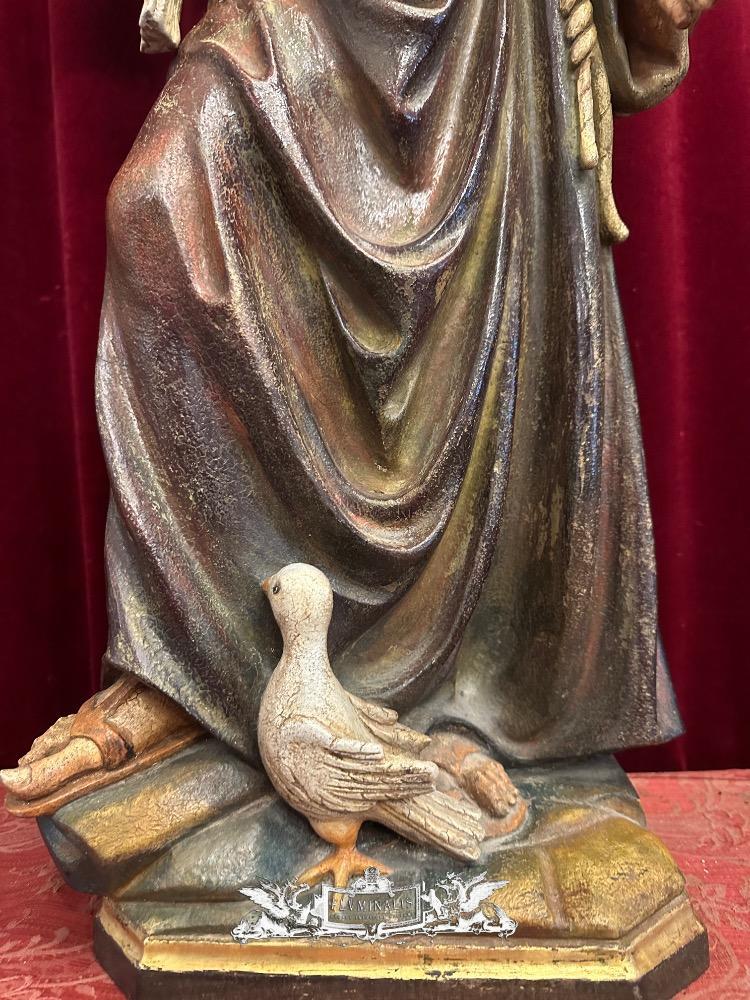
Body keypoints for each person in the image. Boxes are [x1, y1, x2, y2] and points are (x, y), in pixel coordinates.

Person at [2, 0, 718, 818]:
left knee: (473, 341)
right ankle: (194, 661)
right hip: (307, 18)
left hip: (482, 34)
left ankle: (458, 706)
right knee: (156, 202)